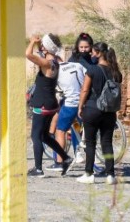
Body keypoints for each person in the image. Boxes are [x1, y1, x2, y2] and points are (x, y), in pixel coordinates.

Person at [26, 34, 74, 178]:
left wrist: (32, 43)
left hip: (42, 104)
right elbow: (45, 56)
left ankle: (38, 169)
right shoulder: (56, 62)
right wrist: (41, 48)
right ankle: (65, 158)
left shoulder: (46, 64)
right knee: (46, 135)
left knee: (36, 135)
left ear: (46, 47)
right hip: (52, 104)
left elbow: (28, 54)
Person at [46, 32, 94, 172]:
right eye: (81, 47)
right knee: (75, 126)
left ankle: (60, 161)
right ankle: (77, 152)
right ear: (77, 47)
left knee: (61, 128)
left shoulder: (83, 61)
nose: (84, 49)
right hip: (83, 98)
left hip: (76, 99)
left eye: (86, 47)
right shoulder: (80, 60)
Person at [76, 42, 122, 185]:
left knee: (90, 143)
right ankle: (110, 175)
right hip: (109, 111)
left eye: (93, 52)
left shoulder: (92, 70)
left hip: (92, 108)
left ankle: (89, 173)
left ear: (99, 53)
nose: (91, 54)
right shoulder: (116, 72)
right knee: (107, 142)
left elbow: (85, 90)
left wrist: (80, 106)